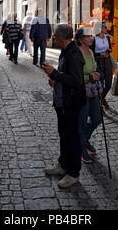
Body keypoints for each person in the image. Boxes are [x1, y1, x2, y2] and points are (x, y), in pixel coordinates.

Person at [42, 24, 85, 189]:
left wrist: (54, 73)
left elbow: (76, 81)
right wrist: (55, 79)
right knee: (64, 135)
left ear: (63, 37)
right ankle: (63, 165)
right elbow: (65, 76)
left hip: (71, 103)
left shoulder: (74, 54)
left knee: (72, 138)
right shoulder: (65, 52)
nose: (54, 38)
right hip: (63, 102)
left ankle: (73, 173)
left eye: (56, 36)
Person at [75, 27, 102, 164]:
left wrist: (95, 75)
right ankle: (82, 148)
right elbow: (76, 77)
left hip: (93, 91)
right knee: (82, 121)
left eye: (91, 36)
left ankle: (83, 140)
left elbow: (93, 69)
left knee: (97, 118)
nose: (91, 38)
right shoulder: (77, 53)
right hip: (81, 92)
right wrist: (90, 77)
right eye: (88, 36)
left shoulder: (91, 52)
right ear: (80, 39)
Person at [91, 22, 113, 109]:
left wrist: (109, 50)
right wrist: (100, 54)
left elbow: (109, 48)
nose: (106, 28)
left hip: (107, 61)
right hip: (98, 62)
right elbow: (91, 52)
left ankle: (102, 98)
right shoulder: (94, 39)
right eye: (104, 27)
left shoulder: (107, 38)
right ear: (99, 29)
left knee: (108, 82)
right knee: (99, 83)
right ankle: (99, 105)